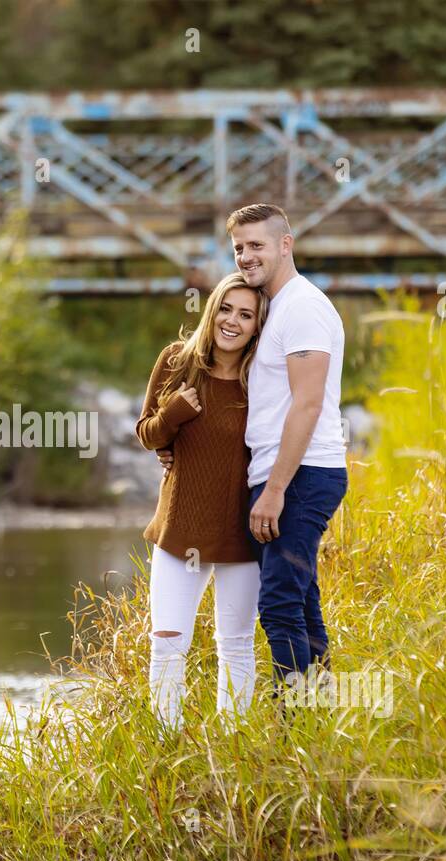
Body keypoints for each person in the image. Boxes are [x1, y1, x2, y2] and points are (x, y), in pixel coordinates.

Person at [135, 271, 267, 731]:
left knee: (236, 644)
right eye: (226, 309)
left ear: (256, 326)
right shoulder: (176, 361)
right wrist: (173, 416)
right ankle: (166, 741)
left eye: (246, 315)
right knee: (167, 640)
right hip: (180, 529)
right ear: (212, 310)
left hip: (239, 533)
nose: (233, 321)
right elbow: (147, 433)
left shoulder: (261, 380)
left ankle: (233, 743)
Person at [229, 202, 349, 688]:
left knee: (278, 602)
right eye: (238, 248)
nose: (245, 256)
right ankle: (318, 717)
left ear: (285, 244)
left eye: (256, 245)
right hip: (287, 474)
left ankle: (294, 725)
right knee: (299, 600)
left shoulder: (303, 306)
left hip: (302, 476)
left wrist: (275, 490)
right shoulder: (275, 308)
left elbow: (307, 404)